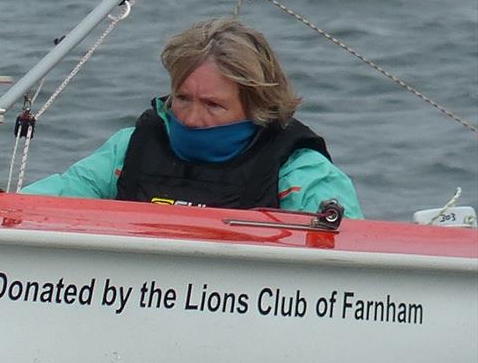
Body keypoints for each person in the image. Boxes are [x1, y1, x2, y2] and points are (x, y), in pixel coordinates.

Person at [21, 17, 363, 218]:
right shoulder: (130, 149)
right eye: (183, 99)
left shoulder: (299, 170)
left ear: (258, 105)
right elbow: (45, 202)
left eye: (213, 105)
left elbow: (349, 249)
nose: (191, 119)